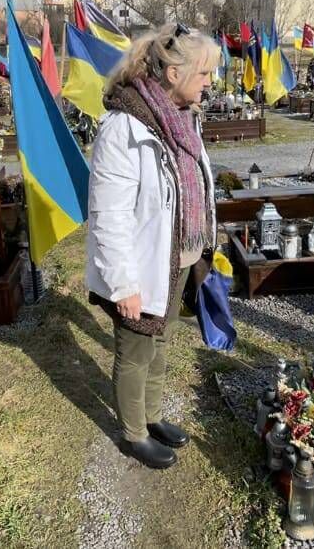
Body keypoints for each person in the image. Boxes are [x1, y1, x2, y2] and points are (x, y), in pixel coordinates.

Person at [86, 23, 219, 469]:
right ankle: (133, 433)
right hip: (141, 266)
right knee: (136, 352)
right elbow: (110, 215)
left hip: (174, 258)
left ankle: (154, 416)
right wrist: (123, 284)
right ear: (172, 72)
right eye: (203, 73)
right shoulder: (125, 127)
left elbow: (193, 186)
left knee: (161, 343)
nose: (209, 82)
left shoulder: (182, 119)